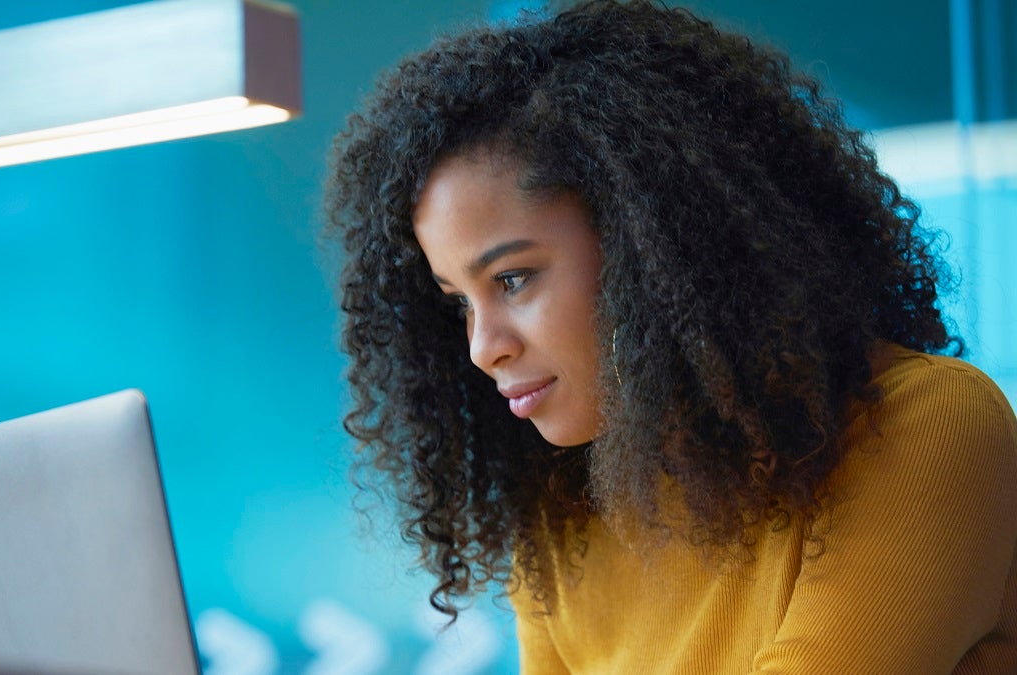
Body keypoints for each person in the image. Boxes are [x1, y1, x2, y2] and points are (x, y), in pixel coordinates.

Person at [323, 1, 1017, 672]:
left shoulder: (926, 425)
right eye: (457, 304)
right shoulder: (565, 517)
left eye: (511, 280)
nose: (483, 347)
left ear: (653, 247)